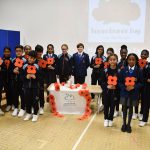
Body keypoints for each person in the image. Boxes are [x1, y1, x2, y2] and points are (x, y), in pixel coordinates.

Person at [118, 53, 143, 133]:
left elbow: (141, 83)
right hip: (125, 93)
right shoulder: (123, 69)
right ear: (127, 60)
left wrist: (134, 87)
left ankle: (129, 125)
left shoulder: (139, 70)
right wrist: (125, 87)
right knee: (124, 109)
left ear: (136, 61)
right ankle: (124, 124)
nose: (131, 61)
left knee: (131, 109)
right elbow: (119, 82)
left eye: (133, 59)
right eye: (130, 59)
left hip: (134, 93)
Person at [100, 54, 119, 127]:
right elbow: (101, 81)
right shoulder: (105, 70)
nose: (112, 61)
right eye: (111, 60)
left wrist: (115, 86)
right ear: (108, 61)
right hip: (106, 92)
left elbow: (120, 81)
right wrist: (107, 86)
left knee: (112, 105)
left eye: (114, 59)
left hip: (115, 92)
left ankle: (111, 119)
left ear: (117, 60)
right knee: (106, 105)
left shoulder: (119, 70)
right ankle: (106, 119)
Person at [23, 51, 40, 122]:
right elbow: (21, 76)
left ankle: (35, 114)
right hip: (26, 87)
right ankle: (29, 113)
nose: (30, 59)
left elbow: (41, 77)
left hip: (35, 87)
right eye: (29, 58)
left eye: (32, 58)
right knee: (27, 100)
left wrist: (35, 77)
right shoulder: (24, 66)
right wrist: (26, 77)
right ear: (27, 57)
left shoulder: (37, 66)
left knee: (35, 101)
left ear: (35, 59)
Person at [11, 45, 27, 117]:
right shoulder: (13, 60)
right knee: (15, 95)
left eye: (20, 51)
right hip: (15, 81)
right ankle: (16, 108)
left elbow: (27, 72)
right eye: (17, 51)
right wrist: (13, 71)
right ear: (15, 52)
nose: (18, 52)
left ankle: (23, 108)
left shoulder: (25, 61)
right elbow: (10, 70)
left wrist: (19, 72)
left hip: (22, 82)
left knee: (22, 95)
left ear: (22, 51)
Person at [114, 45, 128, 117]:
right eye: (122, 53)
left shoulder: (129, 62)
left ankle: (123, 111)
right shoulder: (117, 62)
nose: (123, 54)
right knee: (116, 97)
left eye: (125, 53)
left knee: (124, 97)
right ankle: (116, 110)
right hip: (117, 83)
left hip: (125, 84)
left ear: (127, 53)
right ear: (120, 53)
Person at [2, 47, 13, 112]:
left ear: (10, 52)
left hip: (10, 79)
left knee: (10, 92)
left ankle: (10, 104)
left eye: (8, 51)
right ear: (3, 52)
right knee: (3, 92)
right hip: (2, 79)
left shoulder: (12, 60)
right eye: (5, 51)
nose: (7, 53)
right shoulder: (1, 60)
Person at [35, 45, 45, 115]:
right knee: (34, 94)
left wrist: (45, 81)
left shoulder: (44, 61)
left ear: (42, 52)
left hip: (41, 80)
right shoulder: (33, 60)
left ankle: (41, 107)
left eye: (40, 53)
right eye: (37, 53)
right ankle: (35, 107)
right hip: (34, 80)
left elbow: (46, 72)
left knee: (41, 93)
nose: (39, 54)